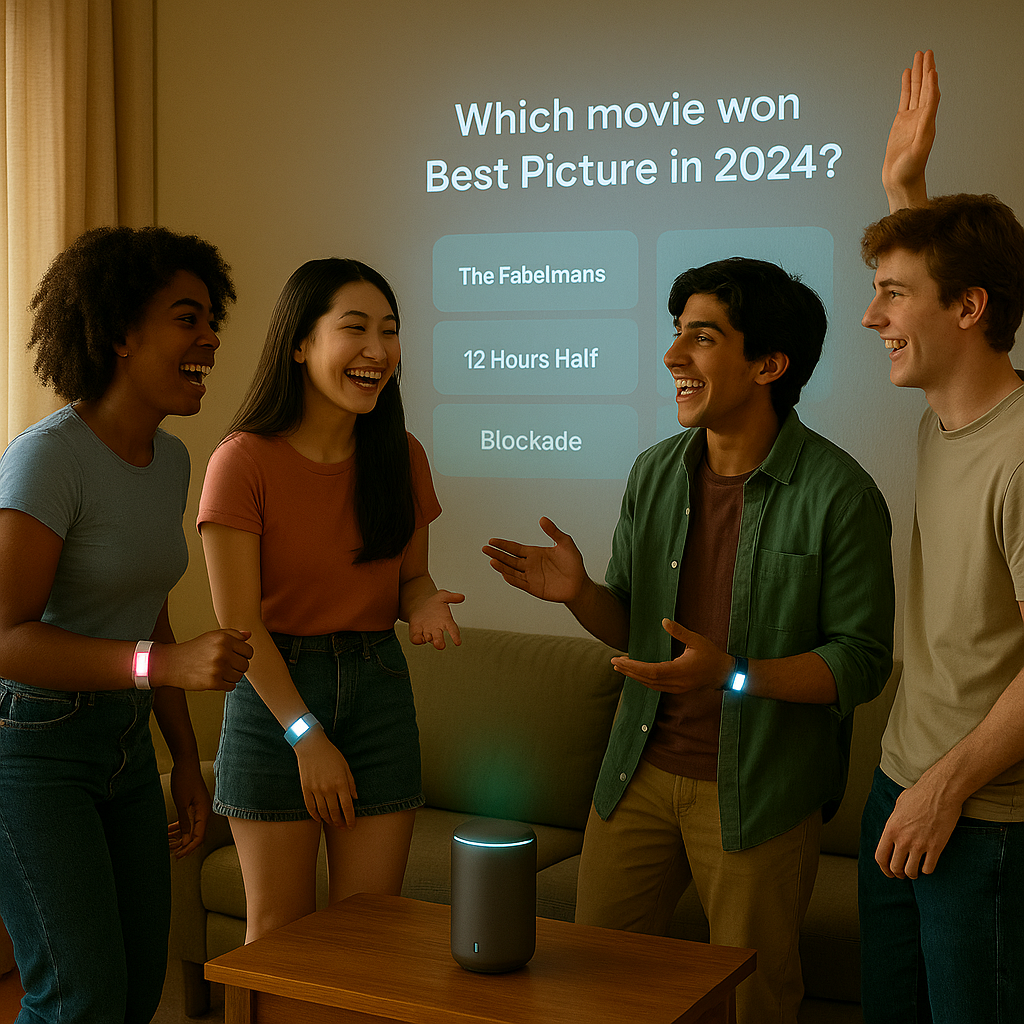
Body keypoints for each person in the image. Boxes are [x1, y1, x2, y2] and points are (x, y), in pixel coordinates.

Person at [485, 257, 895, 1023]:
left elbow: (861, 663)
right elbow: (637, 627)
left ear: (769, 364)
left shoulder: (841, 493)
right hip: (636, 771)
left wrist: (733, 674)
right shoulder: (654, 474)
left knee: (751, 1001)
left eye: (701, 338)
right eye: (676, 335)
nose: (673, 356)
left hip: (760, 791)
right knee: (596, 986)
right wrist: (579, 595)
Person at [0, 226, 254, 1024]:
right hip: (32, 749)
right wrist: (160, 669)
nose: (211, 338)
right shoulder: (48, 459)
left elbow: (151, 607)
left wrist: (185, 756)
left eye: (212, 319)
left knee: (140, 987)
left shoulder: (171, 460)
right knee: (80, 1001)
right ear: (116, 333)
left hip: (124, 746)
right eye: (188, 318)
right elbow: (7, 639)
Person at [198, 258, 463, 943]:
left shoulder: (400, 457)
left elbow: (410, 579)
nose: (379, 350)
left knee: (368, 935)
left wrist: (426, 604)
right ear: (300, 343)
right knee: (279, 934)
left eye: (391, 331)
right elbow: (240, 623)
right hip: (270, 698)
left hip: (377, 689)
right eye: (356, 328)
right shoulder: (243, 461)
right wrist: (304, 734)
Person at [859, 50, 1024, 1022]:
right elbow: (937, 273)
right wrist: (901, 187)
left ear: (966, 311)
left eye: (893, 295)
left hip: (979, 815)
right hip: (899, 784)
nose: (873, 315)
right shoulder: (945, 415)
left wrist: (945, 789)